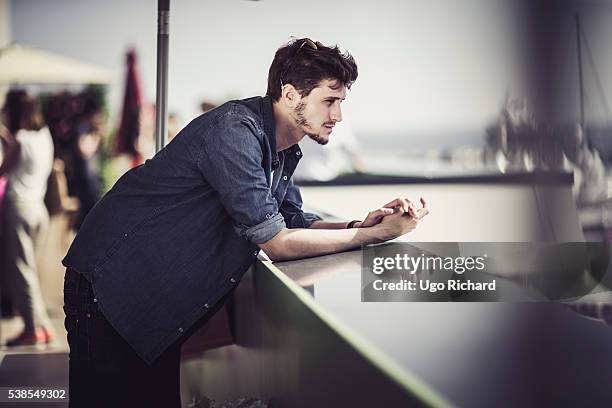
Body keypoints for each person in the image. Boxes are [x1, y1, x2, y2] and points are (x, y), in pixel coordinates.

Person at [62, 37, 429, 407]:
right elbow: (277, 241)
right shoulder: (235, 133)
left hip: (148, 297)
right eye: (329, 101)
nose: (338, 116)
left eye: (341, 103)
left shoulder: (280, 146)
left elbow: (294, 220)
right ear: (289, 95)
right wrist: (372, 236)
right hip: (108, 285)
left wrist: (357, 226)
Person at [0, 90, 55, 346]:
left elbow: (4, 170)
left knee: (21, 272)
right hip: (38, 210)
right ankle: (42, 325)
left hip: (18, 209)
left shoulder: (20, 139)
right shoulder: (44, 137)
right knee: (30, 272)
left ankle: (32, 329)